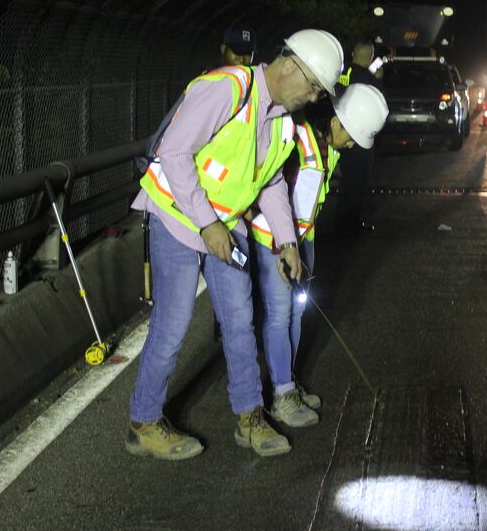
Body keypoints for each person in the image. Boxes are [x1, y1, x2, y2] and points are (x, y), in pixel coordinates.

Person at [126, 29, 344, 461]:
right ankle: (143, 423)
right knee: (173, 324)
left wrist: (287, 242)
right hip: (176, 215)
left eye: (320, 92)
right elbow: (174, 153)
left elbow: (272, 183)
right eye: (313, 86)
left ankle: (249, 415)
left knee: (240, 321)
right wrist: (207, 224)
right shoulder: (226, 89)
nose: (313, 97)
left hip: (226, 224)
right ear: (290, 65)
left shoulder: (282, 121)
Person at [247, 84, 389, 427]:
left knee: (297, 312)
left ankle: (288, 382)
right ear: (336, 122)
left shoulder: (327, 147)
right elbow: (266, 190)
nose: (352, 145)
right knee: (280, 315)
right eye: (352, 136)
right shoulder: (297, 140)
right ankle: (281, 396)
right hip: (274, 240)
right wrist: (283, 246)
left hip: (302, 238)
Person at [333, 41, 382, 235]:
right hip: (359, 134)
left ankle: (341, 219)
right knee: (358, 180)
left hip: (340, 130)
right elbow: (378, 103)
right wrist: (378, 80)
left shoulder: (341, 72)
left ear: (353, 53)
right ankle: (350, 221)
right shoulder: (366, 77)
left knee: (346, 179)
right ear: (370, 59)